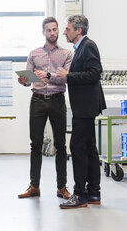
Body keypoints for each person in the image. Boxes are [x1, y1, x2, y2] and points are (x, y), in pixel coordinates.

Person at [17, 17, 73, 200]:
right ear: (43, 32)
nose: (52, 33)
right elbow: (29, 80)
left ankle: (62, 187)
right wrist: (25, 81)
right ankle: (34, 186)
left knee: (60, 145)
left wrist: (49, 75)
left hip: (57, 100)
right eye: (48, 30)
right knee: (35, 144)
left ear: (58, 31)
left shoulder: (66, 54)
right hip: (38, 100)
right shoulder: (34, 54)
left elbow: (66, 78)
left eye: (55, 29)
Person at [57, 15, 106, 209]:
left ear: (79, 30)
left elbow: (95, 73)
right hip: (84, 107)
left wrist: (68, 75)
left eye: (67, 29)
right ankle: (93, 193)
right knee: (89, 149)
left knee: (77, 148)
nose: (64, 32)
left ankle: (80, 195)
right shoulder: (80, 48)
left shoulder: (88, 46)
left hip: (85, 108)